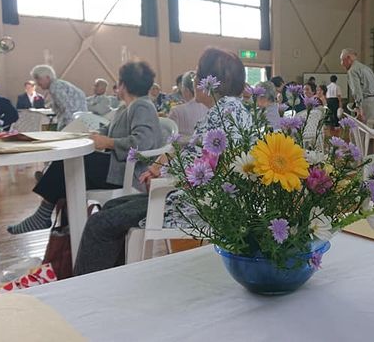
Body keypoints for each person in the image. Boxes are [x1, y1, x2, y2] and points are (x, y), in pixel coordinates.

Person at [73, 48, 252, 275]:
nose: (194, 79)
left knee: (99, 224)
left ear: (211, 82)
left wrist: (162, 178)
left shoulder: (221, 115)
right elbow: (197, 152)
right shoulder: (230, 110)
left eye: (198, 74)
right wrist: (160, 166)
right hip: (196, 197)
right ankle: (113, 279)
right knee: (111, 207)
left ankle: (85, 291)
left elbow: (204, 170)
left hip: (191, 205)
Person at [8, 61, 166, 234]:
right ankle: (61, 223)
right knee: (69, 168)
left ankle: (45, 215)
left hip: (129, 173)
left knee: (70, 164)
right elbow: (109, 130)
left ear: (123, 85)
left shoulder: (142, 106)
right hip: (118, 165)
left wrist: (107, 142)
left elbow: (142, 143)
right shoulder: (126, 107)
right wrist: (90, 134)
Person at [30, 65, 87, 130]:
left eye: (38, 79)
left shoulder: (55, 87)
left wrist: (66, 129)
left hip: (74, 123)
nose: (37, 83)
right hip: (79, 121)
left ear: (47, 77)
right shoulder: (60, 84)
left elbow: (67, 108)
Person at [341, 48, 374, 122]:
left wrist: (359, 109)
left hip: (368, 104)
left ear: (348, 58)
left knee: (363, 131)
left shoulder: (352, 70)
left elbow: (356, 91)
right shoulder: (366, 68)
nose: (341, 63)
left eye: (342, 60)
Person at [168, 71, 208, 137]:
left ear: (186, 90)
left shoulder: (176, 111)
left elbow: (169, 136)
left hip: (184, 146)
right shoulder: (209, 107)